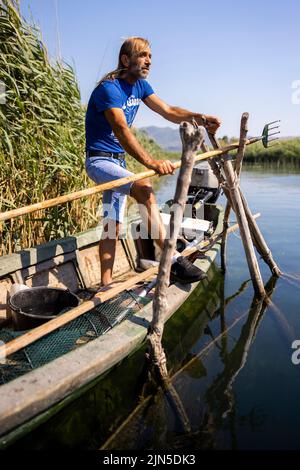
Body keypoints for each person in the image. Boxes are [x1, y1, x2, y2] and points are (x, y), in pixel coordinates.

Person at [85, 37, 221, 287]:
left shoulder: (141, 86)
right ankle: (174, 260)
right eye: (143, 55)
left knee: (112, 224)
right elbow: (121, 129)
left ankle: (104, 285)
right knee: (146, 190)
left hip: (119, 162)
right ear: (126, 60)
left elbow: (168, 111)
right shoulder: (109, 89)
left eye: (150, 56)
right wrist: (151, 162)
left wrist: (199, 118)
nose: (149, 61)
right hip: (99, 162)